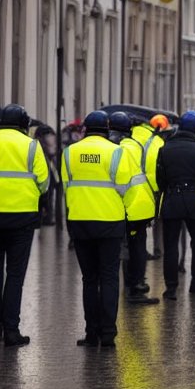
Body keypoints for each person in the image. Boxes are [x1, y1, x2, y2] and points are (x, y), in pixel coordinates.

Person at [61, 110, 143, 347]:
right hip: (110, 222)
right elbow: (127, 187)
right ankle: (108, 333)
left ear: (85, 129)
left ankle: (91, 332)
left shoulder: (70, 152)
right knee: (109, 277)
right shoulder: (117, 152)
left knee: (89, 279)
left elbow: (67, 185)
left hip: (80, 222)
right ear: (107, 130)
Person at [0, 104, 50, 346]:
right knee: (15, 273)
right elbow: (44, 182)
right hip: (22, 217)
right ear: (24, 124)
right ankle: (11, 330)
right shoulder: (31, 146)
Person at [157, 111, 195, 299]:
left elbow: (160, 179)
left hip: (172, 198)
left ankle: (171, 288)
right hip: (194, 201)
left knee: (171, 245)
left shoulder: (165, 148)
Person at [109, 112, 160, 304]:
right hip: (140, 203)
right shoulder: (135, 146)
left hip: (123, 204)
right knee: (137, 246)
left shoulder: (112, 147)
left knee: (127, 246)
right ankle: (135, 287)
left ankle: (130, 286)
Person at [135, 114, 168, 259]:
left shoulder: (132, 138)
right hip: (153, 188)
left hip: (133, 185)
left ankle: (139, 251)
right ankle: (158, 249)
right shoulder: (158, 142)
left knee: (137, 223)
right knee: (158, 220)